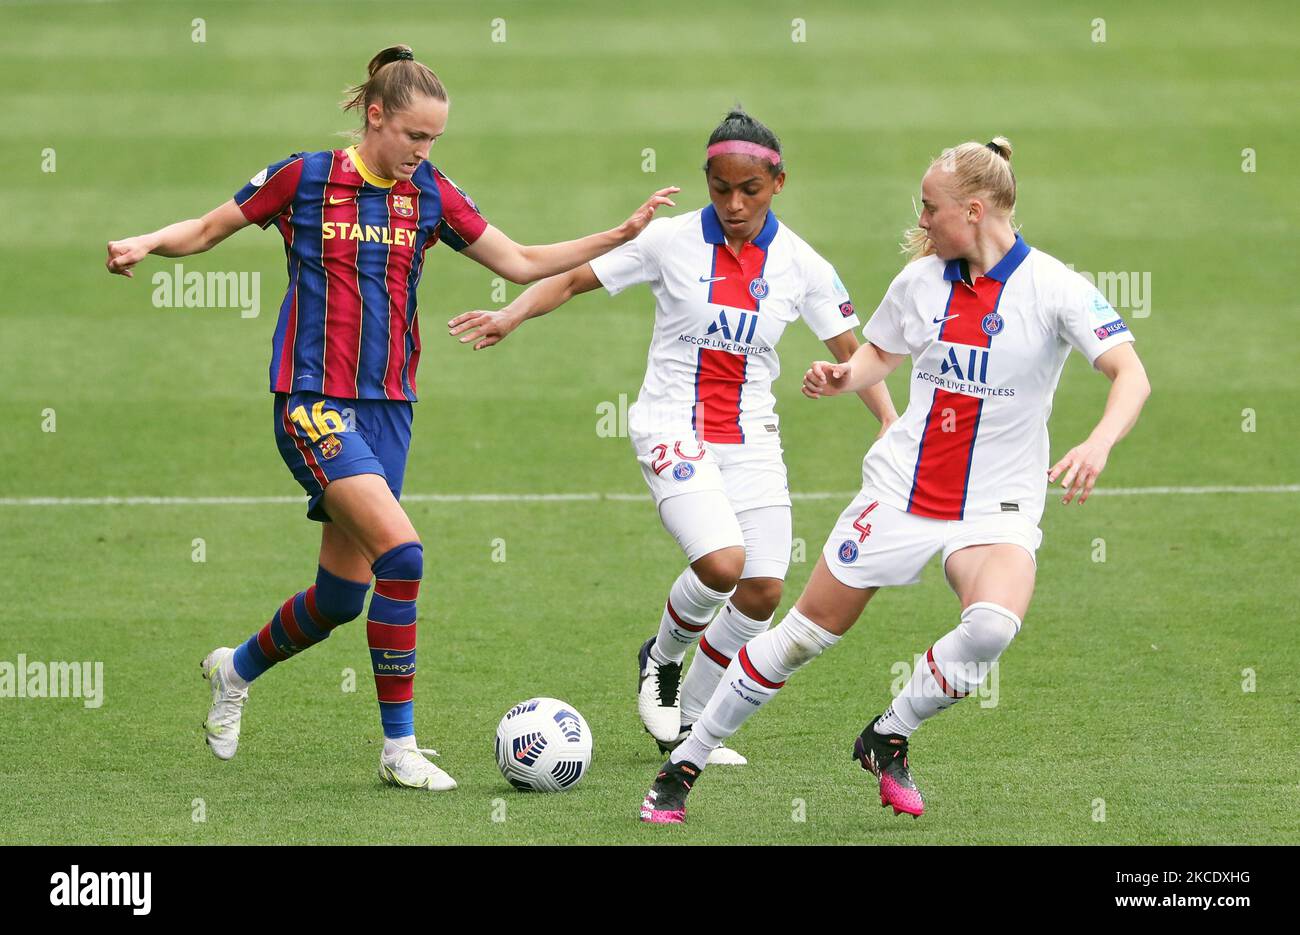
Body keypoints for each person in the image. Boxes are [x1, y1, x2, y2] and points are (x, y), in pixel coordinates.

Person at [104, 44, 677, 792]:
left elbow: (522, 260)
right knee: (402, 556)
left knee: (341, 598)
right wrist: (147, 241)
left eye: (433, 139)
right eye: (414, 135)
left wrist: (619, 234)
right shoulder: (305, 177)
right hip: (312, 401)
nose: (423, 151)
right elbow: (210, 228)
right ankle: (399, 747)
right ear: (375, 116)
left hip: (390, 410)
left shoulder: (430, 193)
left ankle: (233, 668)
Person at [640, 136, 1152, 823]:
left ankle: (888, 732)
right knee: (800, 637)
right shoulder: (920, 281)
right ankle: (685, 762)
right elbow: (878, 354)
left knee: (992, 626)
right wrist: (841, 376)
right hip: (901, 492)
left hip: (994, 503)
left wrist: (1099, 439)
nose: (921, 222)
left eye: (930, 208)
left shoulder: (1056, 288)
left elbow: (1130, 373)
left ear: (973, 210)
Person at [448, 109, 897, 765]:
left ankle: (688, 725)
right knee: (722, 563)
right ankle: (660, 656)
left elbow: (852, 349)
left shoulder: (804, 264)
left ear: (778, 182)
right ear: (707, 182)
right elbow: (576, 277)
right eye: (720, 188)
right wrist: (510, 314)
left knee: (763, 590)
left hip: (752, 436)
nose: (734, 203)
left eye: (750, 189)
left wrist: (887, 420)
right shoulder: (669, 241)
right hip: (670, 425)